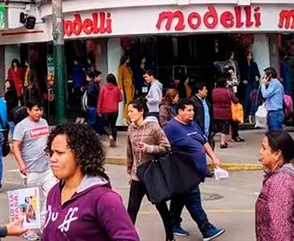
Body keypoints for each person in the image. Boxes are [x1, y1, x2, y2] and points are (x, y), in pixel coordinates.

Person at [42, 122, 138, 240]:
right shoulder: (53, 192)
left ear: (80, 155)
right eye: (51, 153)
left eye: (60, 153)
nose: (52, 159)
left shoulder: (104, 199)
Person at [163, 99, 225, 240]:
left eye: (193, 110)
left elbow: (204, 142)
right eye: (189, 110)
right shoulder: (170, 128)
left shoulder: (193, 125)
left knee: (179, 198)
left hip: (195, 172)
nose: (192, 113)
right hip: (183, 173)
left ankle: (173, 223)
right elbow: (161, 146)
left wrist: (214, 158)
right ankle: (206, 229)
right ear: (180, 111)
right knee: (193, 199)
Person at [125, 97, 173, 239]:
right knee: (131, 210)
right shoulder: (130, 129)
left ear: (141, 111)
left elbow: (166, 147)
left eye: (132, 111)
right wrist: (129, 172)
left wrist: (149, 148)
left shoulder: (154, 127)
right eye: (128, 111)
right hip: (137, 176)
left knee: (161, 207)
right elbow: (129, 152)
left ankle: (170, 237)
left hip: (152, 174)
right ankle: (127, 237)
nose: (129, 114)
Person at [255, 130, 294, 240]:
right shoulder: (281, 176)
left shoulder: (281, 182)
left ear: (278, 154)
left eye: (264, 148)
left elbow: (280, 229)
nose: (260, 152)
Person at [11, 100, 54, 240]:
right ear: (28, 110)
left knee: (53, 196)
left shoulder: (44, 123)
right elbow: (16, 146)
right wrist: (21, 164)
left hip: (47, 168)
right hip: (31, 170)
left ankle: (42, 224)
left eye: (41, 110)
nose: (39, 113)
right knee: (30, 202)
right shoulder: (21, 126)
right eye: (36, 110)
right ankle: (29, 230)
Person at [96, 74, 123, 147]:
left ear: (107, 80)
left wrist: (98, 110)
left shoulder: (103, 88)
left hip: (105, 110)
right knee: (113, 125)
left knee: (105, 125)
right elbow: (120, 99)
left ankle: (110, 135)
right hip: (115, 110)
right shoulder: (117, 88)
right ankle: (114, 141)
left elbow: (100, 100)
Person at [211, 77, 238, 148]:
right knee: (224, 128)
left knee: (215, 127)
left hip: (216, 112)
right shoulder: (227, 91)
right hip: (226, 113)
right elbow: (235, 100)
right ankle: (222, 143)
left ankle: (210, 137)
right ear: (224, 84)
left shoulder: (213, 91)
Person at [260, 67, 285, 132]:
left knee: (275, 133)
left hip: (275, 112)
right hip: (274, 111)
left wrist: (263, 85)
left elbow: (265, 94)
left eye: (265, 74)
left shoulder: (274, 83)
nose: (264, 76)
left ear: (270, 75)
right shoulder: (275, 83)